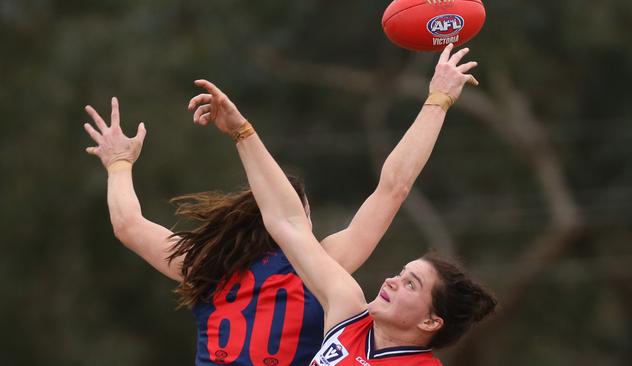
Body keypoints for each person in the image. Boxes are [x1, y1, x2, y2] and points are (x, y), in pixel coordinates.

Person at [82, 47, 463, 365]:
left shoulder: (205, 265)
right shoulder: (323, 265)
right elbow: (392, 188)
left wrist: (119, 163)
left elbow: (127, 224)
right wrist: (437, 101)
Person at [189, 44, 497, 366]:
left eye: (410, 283)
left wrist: (440, 104)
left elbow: (395, 190)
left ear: (430, 322)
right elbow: (288, 223)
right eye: (402, 273)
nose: (392, 280)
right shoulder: (348, 314)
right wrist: (242, 131)